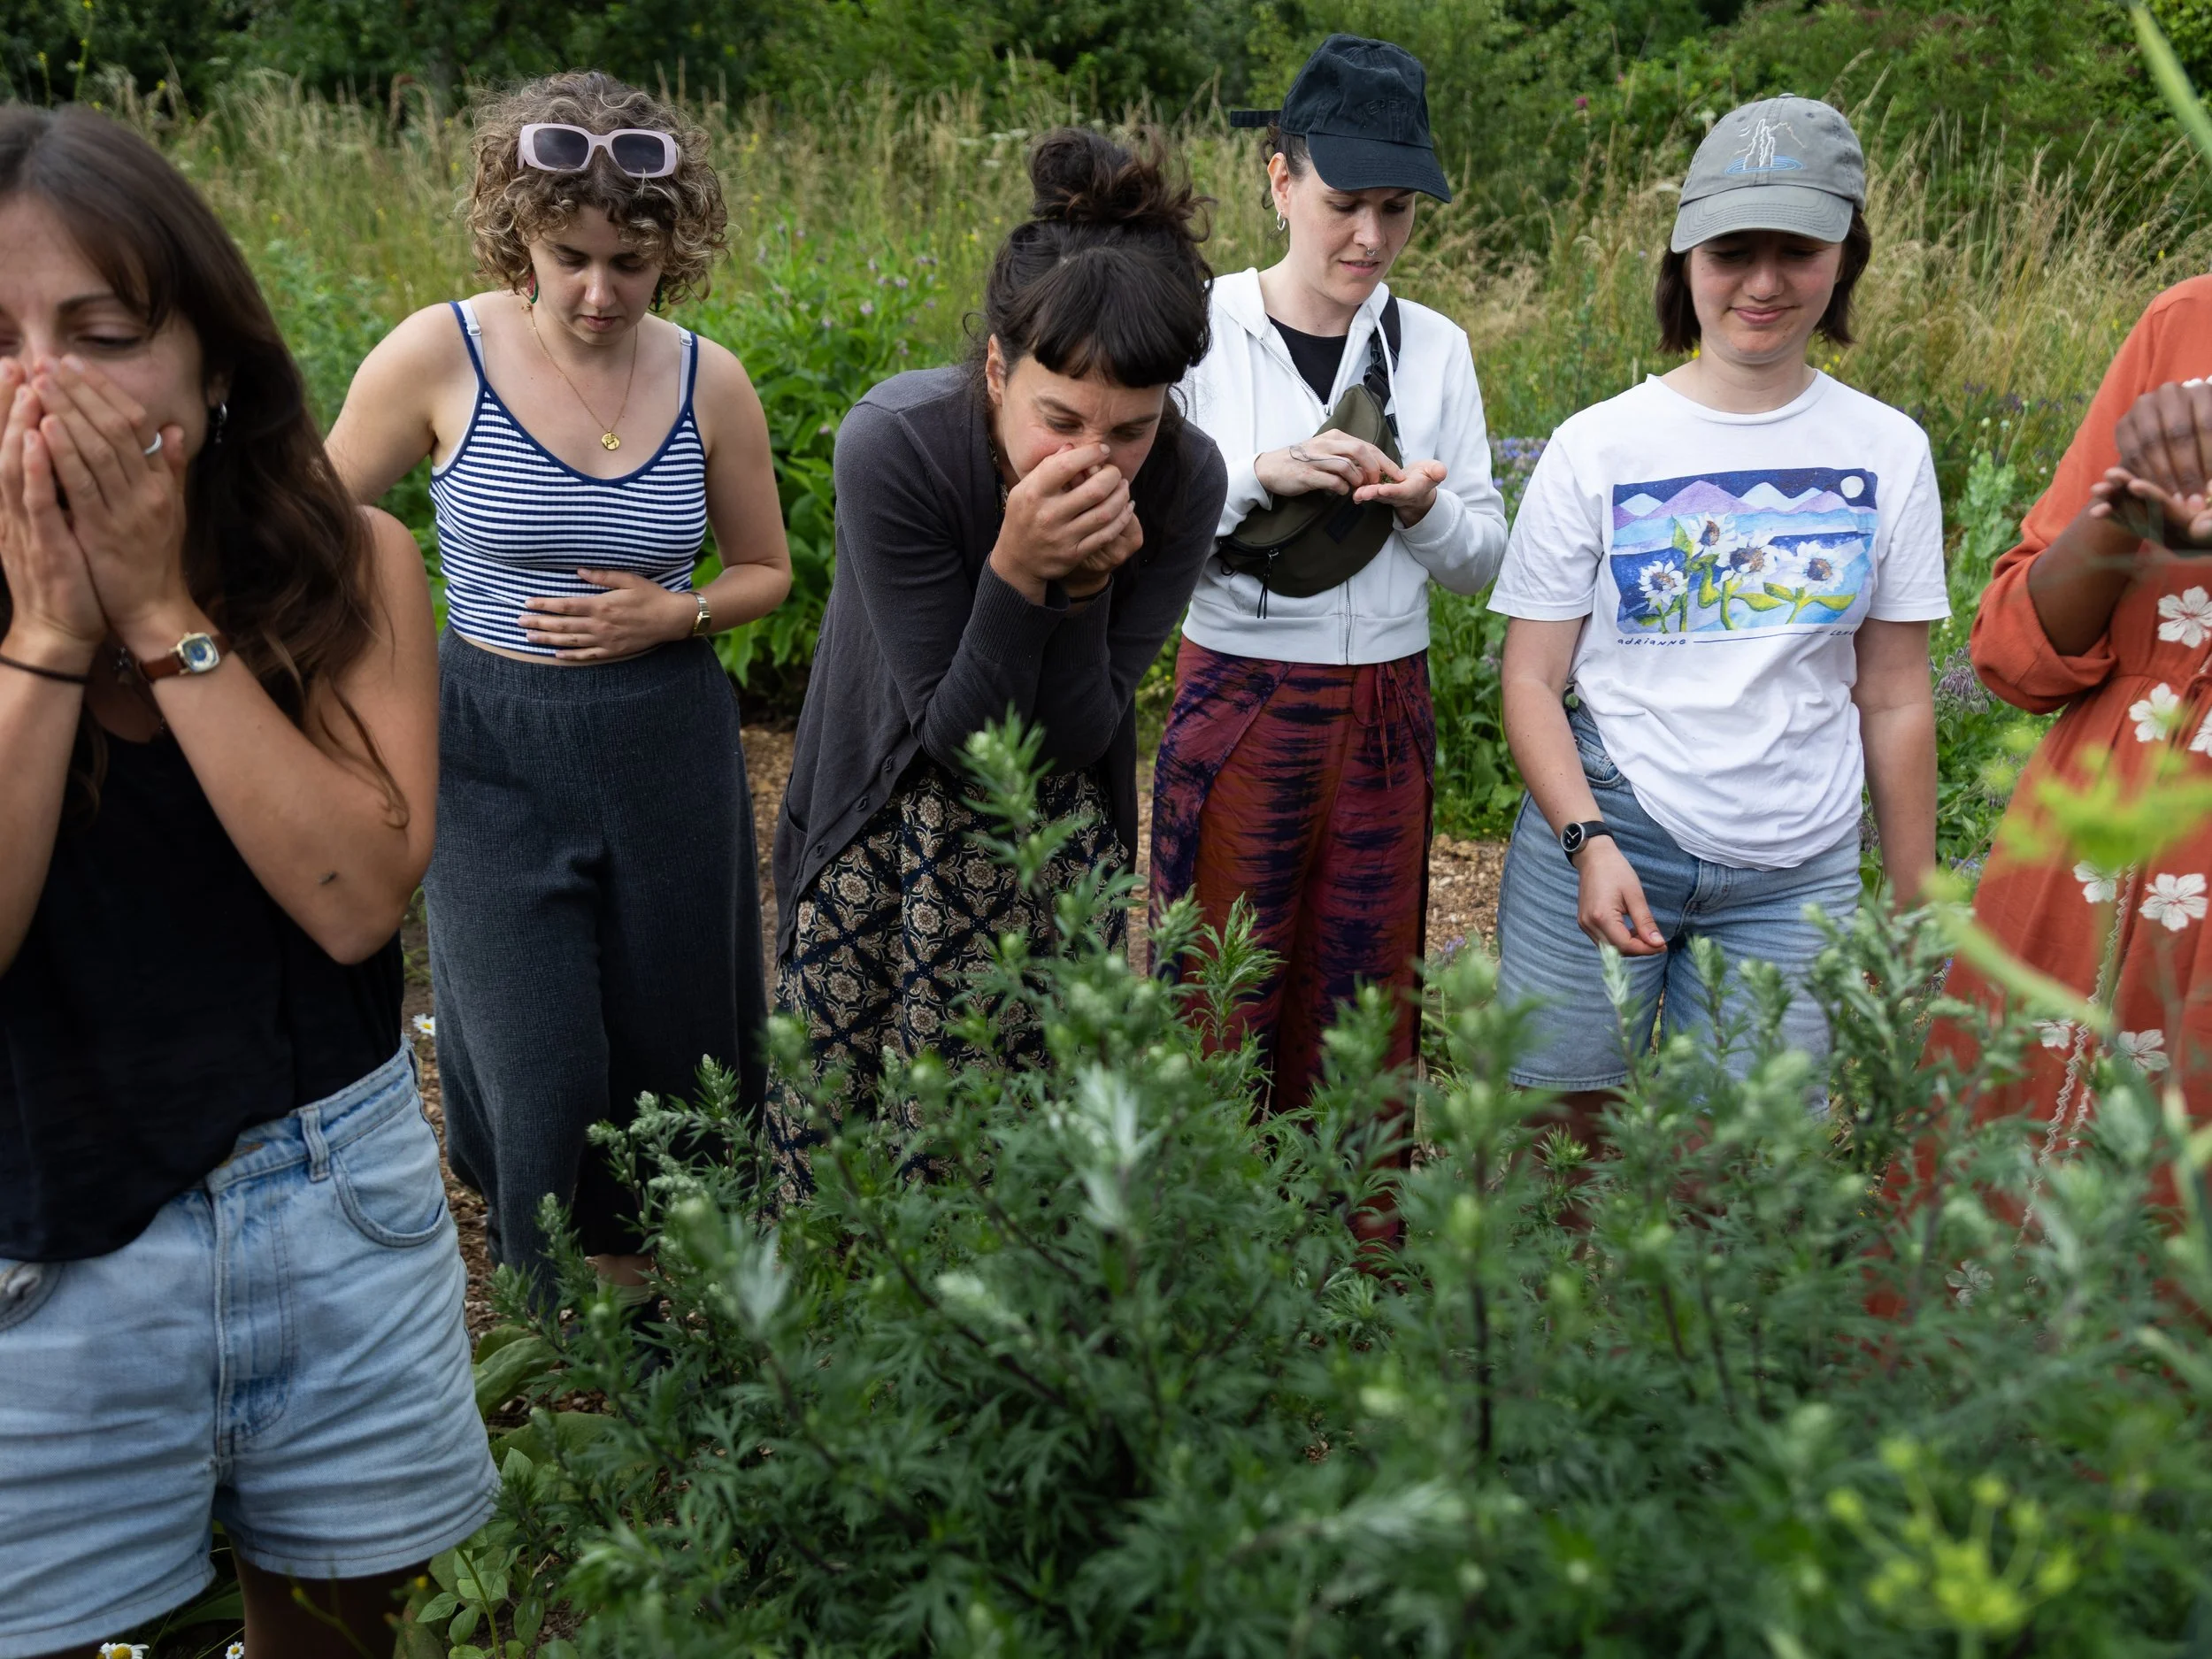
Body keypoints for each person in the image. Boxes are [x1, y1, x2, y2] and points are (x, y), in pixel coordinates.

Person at [0, 107, 493, 1657]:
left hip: (332, 1207)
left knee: (348, 1635)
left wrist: (157, 609)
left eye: (101, 330)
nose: (42, 383)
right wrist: (54, 637)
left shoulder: (348, 564)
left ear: (213, 364)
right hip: (43, 1253)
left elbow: (356, 895)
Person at [327, 72, 790, 1300]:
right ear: (514, 234)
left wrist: (672, 608)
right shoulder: (441, 351)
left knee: (670, 1030)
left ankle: (659, 1289)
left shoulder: (713, 379)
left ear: (672, 253)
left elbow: (767, 571)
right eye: (568, 254)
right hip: (490, 742)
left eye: (630, 262)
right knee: (538, 1055)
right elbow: (315, 523)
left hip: (665, 743)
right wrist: (380, 682)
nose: (597, 291)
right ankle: (539, 1288)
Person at [768, 127, 1226, 1198]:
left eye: (1130, 429)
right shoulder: (897, 445)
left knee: (1034, 1175)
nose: (1090, 459)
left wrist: (1088, 585)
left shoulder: (1185, 479)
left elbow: (1076, 735)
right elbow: (955, 739)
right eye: (1058, 419)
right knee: (855, 1162)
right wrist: (1020, 573)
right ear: (993, 369)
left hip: (1056, 853)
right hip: (884, 830)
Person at [1488, 97, 1947, 1124]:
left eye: (1799, 251)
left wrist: (1915, 895)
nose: (1764, 283)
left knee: (1734, 1178)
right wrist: (1586, 841)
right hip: (1615, 821)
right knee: (1560, 1138)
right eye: (1733, 251)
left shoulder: (1888, 450)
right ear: (1684, 260)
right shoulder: (1598, 445)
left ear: (1844, 261)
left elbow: (1894, 692)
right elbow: (1529, 678)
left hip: (1800, 869)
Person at [1149, 35, 1508, 1140]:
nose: (1370, 237)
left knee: (1364, 1004)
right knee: (1219, 995)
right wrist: (1260, 474)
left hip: (1388, 711)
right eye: (1346, 201)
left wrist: (1422, 507)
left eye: (1397, 210)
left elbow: (1484, 560)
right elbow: (1142, 527)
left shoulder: (1434, 348)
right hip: (1239, 697)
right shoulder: (1194, 330)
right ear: (1279, 177)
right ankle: (1207, 1258)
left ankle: (1353, 1274)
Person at [1928, 276, 2212, 1168]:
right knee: (2008, 1196)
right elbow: (2014, 654)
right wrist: (2119, 525)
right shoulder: (2186, 324)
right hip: (2088, 860)